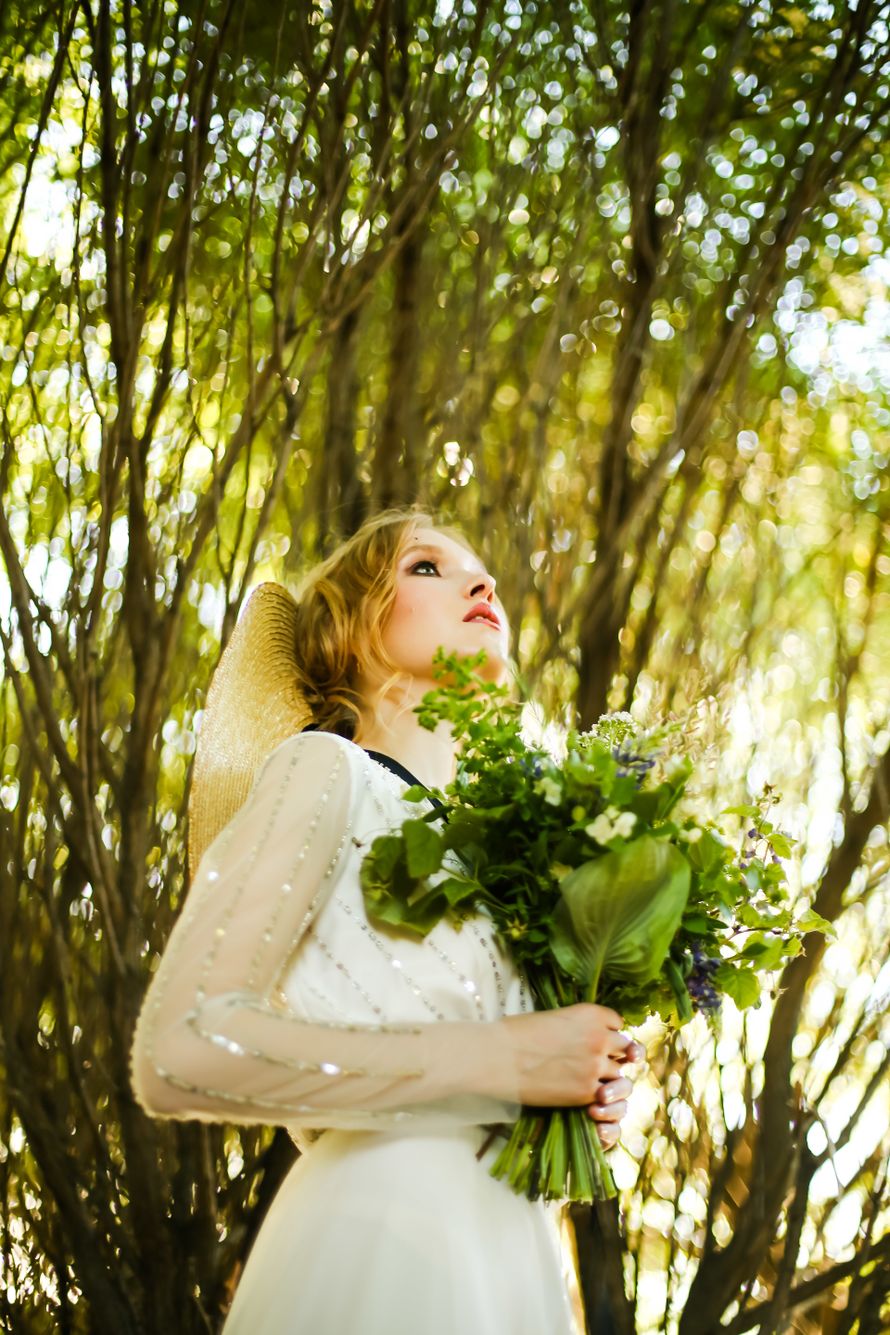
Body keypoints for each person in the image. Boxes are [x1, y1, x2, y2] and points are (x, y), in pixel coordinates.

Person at [130, 508, 644, 1335]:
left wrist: (585, 1085)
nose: (483, 583)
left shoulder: (506, 864)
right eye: (427, 568)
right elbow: (181, 1048)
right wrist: (505, 1059)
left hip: (511, 1262)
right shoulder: (324, 769)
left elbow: (505, 1071)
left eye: (482, 572)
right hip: (377, 1235)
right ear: (350, 633)